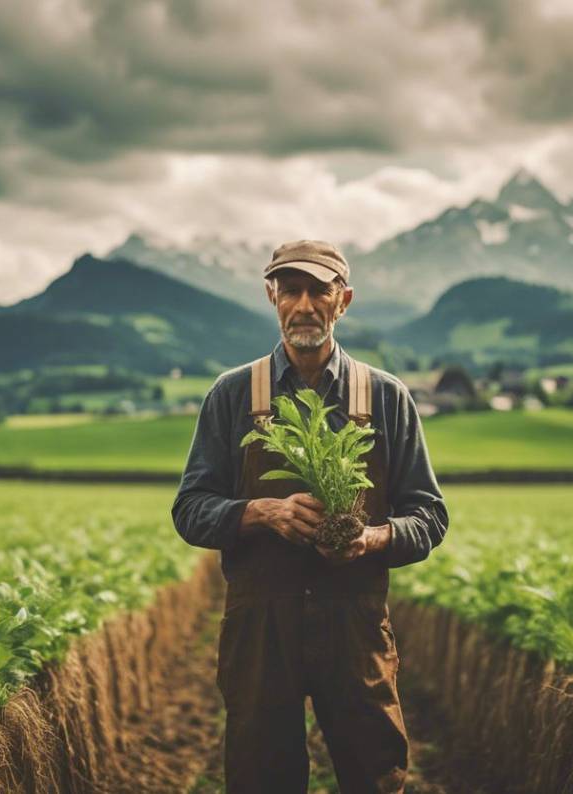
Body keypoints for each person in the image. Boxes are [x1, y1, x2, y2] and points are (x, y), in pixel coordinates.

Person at [171, 239, 449, 793]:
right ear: (271, 296)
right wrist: (258, 512)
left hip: (354, 624)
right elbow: (190, 510)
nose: (303, 305)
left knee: (375, 775)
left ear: (342, 301)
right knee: (261, 778)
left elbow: (430, 516)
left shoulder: (386, 397)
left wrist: (371, 538)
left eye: (318, 291)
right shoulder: (231, 395)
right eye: (290, 290)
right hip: (260, 628)